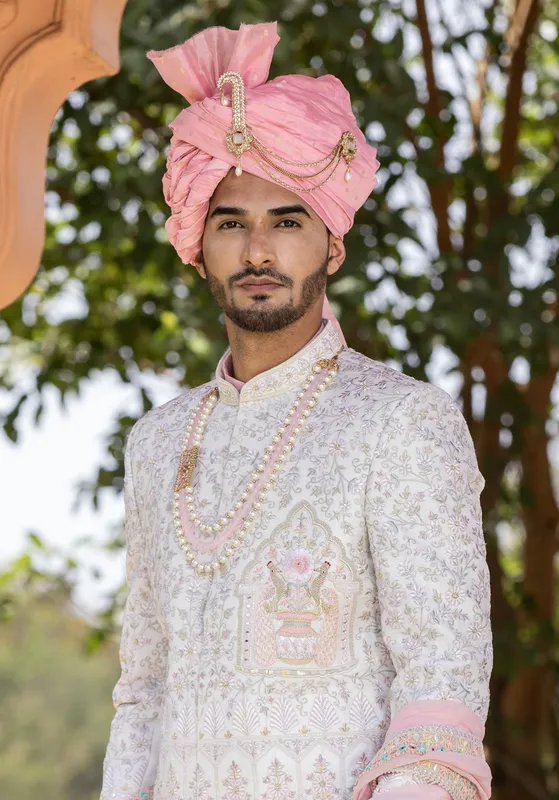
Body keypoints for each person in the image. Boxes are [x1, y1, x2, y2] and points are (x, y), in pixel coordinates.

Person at [100, 21, 493, 800]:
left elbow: (443, 671)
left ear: (331, 245)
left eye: (287, 221)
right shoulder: (157, 442)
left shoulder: (402, 422)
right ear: (197, 247)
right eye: (230, 223)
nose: (257, 251)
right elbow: (143, 691)